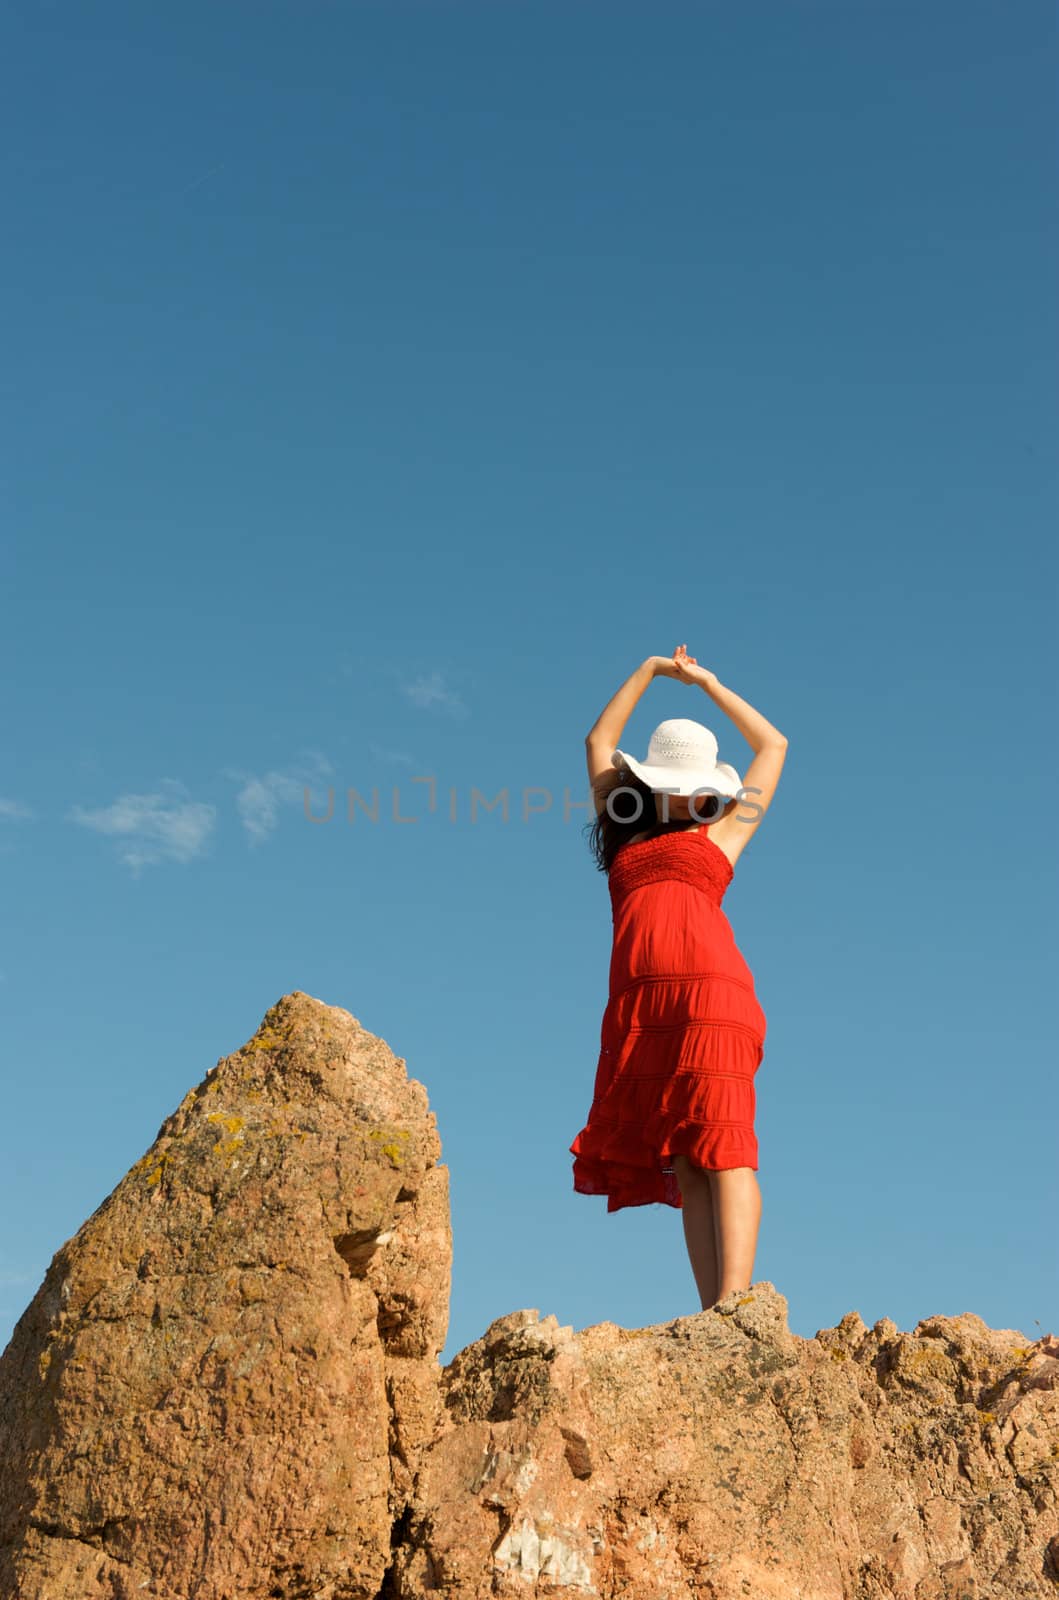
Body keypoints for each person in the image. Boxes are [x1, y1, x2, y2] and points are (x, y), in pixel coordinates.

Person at [569, 644, 788, 1311]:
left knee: (723, 1144)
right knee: (688, 1162)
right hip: (643, 1008)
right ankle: (711, 1314)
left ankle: (737, 1305)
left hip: (710, 994)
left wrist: (708, 683)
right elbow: (598, 739)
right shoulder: (624, 835)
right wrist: (648, 669)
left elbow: (772, 744)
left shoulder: (719, 836)